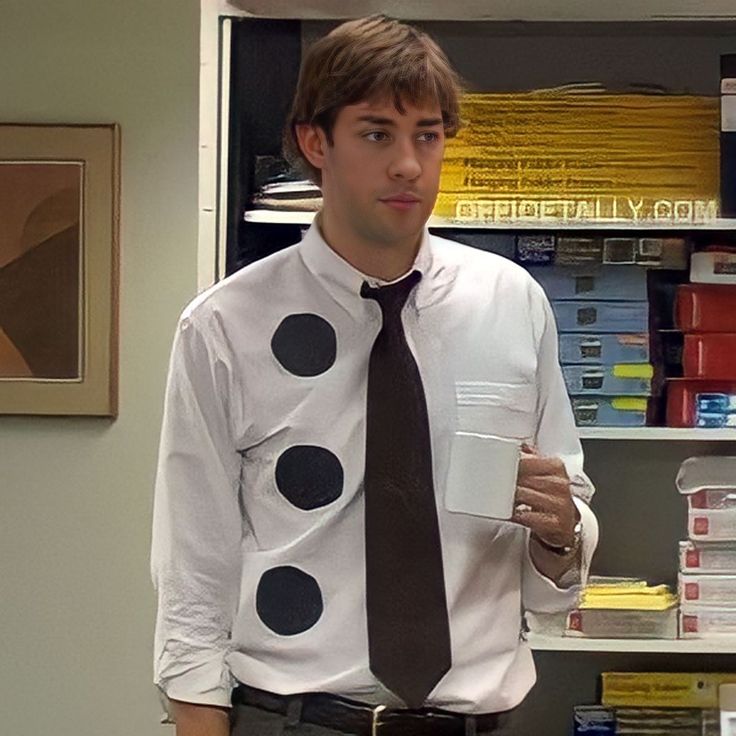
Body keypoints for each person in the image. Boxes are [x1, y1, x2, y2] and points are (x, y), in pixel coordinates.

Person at [151, 14, 599, 736]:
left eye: (427, 134)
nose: (408, 165)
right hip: (299, 718)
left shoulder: (511, 303)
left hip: (483, 720)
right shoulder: (225, 327)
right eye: (377, 133)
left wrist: (561, 536)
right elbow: (192, 578)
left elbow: (558, 552)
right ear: (314, 142)